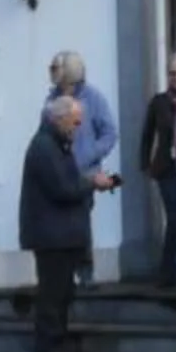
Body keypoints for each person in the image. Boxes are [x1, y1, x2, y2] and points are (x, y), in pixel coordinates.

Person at [17, 95, 102, 352]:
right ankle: (48, 346)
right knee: (53, 294)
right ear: (60, 119)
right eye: (74, 123)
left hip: (59, 234)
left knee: (62, 293)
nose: (77, 129)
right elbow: (63, 188)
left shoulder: (54, 145)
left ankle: (57, 342)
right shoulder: (44, 147)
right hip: (51, 236)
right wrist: (92, 183)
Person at [43, 50, 118, 284]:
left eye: (65, 82)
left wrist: (89, 155)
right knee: (60, 222)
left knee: (81, 221)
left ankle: (85, 273)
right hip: (59, 172)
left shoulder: (94, 98)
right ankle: (64, 273)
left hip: (85, 174)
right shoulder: (50, 101)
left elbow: (109, 133)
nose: (61, 87)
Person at [139, 51, 176, 290]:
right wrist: (144, 163)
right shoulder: (159, 102)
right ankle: (168, 273)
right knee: (175, 219)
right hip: (168, 169)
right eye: (172, 73)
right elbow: (147, 135)